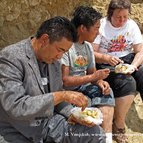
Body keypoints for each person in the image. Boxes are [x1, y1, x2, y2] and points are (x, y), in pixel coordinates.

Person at [0, 16, 106, 143]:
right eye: (60, 50)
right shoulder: (11, 57)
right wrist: (61, 95)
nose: (60, 56)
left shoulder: (54, 61)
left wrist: (74, 114)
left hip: (49, 125)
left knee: (95, 134)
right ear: (45, 39)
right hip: (16, 130)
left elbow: (58, 98)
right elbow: (16, 106)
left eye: (65, 52)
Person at [61, 6, 115, 143]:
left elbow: (92, 73)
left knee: (106, 92)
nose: (99, 33)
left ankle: (107, 138)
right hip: (66, 91)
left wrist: (100, 82)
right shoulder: (66, 46)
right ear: (83, 28)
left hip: (82, 86)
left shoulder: (87, 47)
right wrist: (93, 78)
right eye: (96, 28)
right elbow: (65, 81)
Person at [92, 0, 143, 142]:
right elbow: (91, 53)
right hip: (106, 62)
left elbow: (140, 51)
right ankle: (119, 124)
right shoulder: (101, 25)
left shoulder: (131, 25)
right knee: (127, 82)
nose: (122, 21)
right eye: (118, 17)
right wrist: (105, 58)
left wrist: (133, 66)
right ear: (110, 15)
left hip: (127, 59)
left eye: (125, 17)